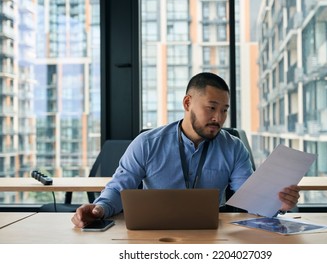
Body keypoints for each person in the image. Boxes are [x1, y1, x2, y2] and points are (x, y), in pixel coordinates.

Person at [71, 72, 300, 228]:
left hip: (212, 234)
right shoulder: (147, 143)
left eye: (224, 110)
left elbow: (251, 199)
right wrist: (99, 210)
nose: (218, 118)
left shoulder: (233, 147)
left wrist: (276, 204)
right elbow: (120, 187)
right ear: (187, 103)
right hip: (155, 233)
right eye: (211, 108)